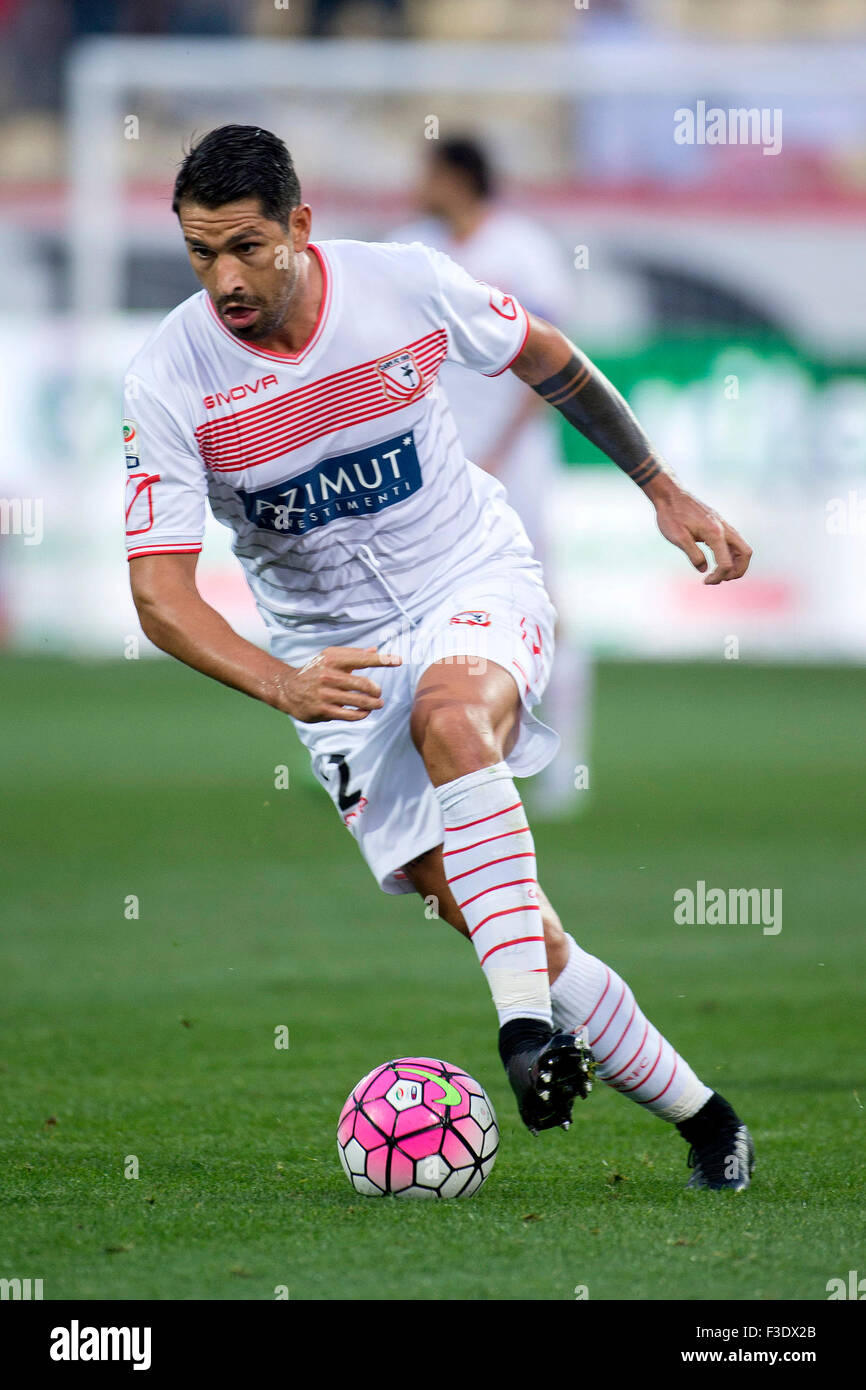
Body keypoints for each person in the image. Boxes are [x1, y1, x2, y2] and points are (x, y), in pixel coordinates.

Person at [124, 125, 754, 1187]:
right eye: (199, 253)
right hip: (330, 659)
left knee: (453, 715)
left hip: (468, 572)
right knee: (499, 916)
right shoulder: (168, 377)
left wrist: (660, 485)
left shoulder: (402, 285)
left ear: (299, 227)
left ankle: (514, 1033)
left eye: (244, 247)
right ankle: (709, 1121)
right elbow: (159, 594)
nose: (224, 278)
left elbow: (544, 355)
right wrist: (282, 680)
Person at [392, 136, 591, 814]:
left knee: (542, 599)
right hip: (433, 468)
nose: (415, 182)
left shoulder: (523, 248)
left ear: (456, 178)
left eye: (426, 171)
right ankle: (403, 765)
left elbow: (552, 359)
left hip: (513, 463)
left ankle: (568, 762)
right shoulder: (408, 248)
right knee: (411, 607)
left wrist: (503, 447)